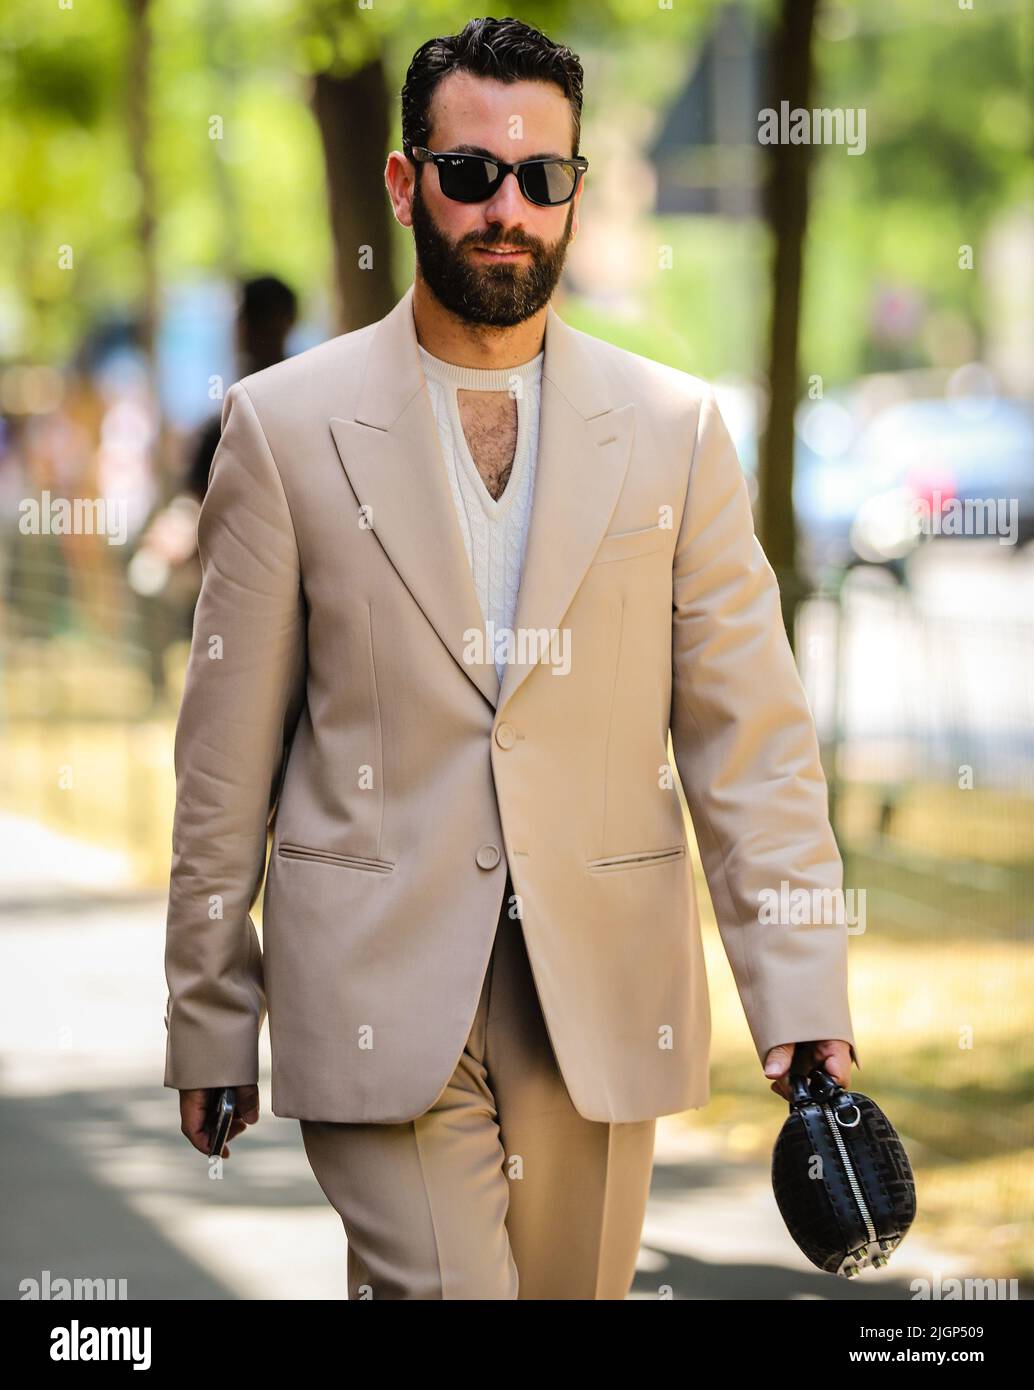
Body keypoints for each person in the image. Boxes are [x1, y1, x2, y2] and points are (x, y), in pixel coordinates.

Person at [162, 16, 860, 1301]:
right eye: (471, 172)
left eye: (542, 179)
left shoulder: (675, 433)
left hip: (597, 988)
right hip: (373, 980)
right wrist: (209, 1008)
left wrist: (799, 987)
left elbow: (746, 739)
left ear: (575, 195)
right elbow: (224, 762)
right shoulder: (283, 430)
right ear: (403, 179)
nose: (507, 208)